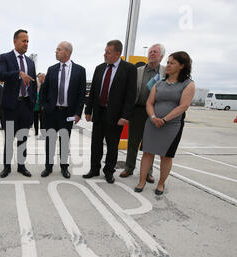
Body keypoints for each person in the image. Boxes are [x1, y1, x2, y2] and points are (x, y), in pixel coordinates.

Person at [134, 51, 195, 195]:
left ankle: (161, 184)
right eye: (167, 62)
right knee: (147, 153)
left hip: (171, 126)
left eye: (172, 63)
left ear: (182, 66)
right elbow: (150, 102)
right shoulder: (159, 82)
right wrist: (154, 117)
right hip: (152, 123)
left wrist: (164, 119)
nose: (167, 65)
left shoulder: (188, 84)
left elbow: (183, 106)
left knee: (166, 156)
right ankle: (141, 181)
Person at [83, 40, 137, 183]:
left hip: (116, 115)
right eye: (105, 51)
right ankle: (94, 169)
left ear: (117, 54)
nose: (104, 54)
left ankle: (108, 171)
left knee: (112, 145)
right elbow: (93, 91)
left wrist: (125, 116)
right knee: (96, 144)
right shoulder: (99, 68)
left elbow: (131, 95)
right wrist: (88, 111)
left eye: (108, 52)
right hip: (99, 112)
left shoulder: (129, 69)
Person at [120, 44, 166, 183]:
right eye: (150, 51)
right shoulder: (138, 71)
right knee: (133, 141)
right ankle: (129, 167)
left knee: (150, 144)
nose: (152, 54)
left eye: (155, 52)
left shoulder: (165, 72)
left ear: (161, 56)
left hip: (155, 112)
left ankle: (148, 172)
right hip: (138, 110)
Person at [40, 41, 86, 178]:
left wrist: (78, 113)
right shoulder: (52, 69)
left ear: (67, 52)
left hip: (68, 113)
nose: (56, 52)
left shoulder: (80, 70)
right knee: (50, 140)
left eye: (58, 50)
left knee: (64, 141)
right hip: (52, 112)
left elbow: (81, 94)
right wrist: (44, 106)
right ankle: (48, 167)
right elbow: (44, 89)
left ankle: (64, 167)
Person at [0, 29, 37, 178]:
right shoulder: (5, 58)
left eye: (28, 41)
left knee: (23, 138)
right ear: (15, 41)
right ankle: (6, 167)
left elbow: (33, 83)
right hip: (11, 106)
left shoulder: (30, 62)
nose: (26, 44)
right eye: (23, 41)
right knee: (9, 138)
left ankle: (21, 166)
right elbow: (1, 75)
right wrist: (18, 74)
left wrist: (32, 102)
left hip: (26, 105)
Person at [34, 73, 45, 138]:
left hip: (41, 106)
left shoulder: (44, 84)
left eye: (44, 78)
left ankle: (42, 133)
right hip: (35, 106)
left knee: (42, 120)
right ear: (39, 77)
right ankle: (36, 132)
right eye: (42, 78)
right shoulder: (35, 84)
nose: (43, 79)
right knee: (35, 120)